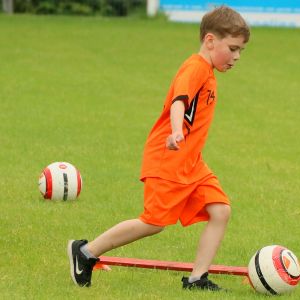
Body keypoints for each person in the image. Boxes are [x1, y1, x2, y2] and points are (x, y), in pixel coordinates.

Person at [67, 6, 250, 291]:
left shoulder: (208, 71)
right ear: (211, 41)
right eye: (233, 48)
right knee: (153, 222)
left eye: (241, 51)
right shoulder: (196, 68)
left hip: (192, 163)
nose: (237, 57)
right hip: (169, 159)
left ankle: (196, 279)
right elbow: (179, 101)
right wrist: (176, 131)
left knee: (221, 211)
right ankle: (86, 252)